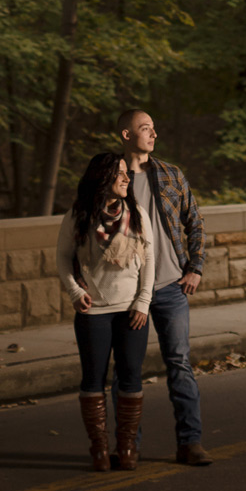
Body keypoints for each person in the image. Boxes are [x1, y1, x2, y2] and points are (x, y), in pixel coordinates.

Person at [116, 108, 212, 465]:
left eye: (154, 128)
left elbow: (195, 222)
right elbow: (87, 227)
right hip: (126, 292)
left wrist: (195, 267)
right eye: (145, 129)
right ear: (127, 135)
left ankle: (190, 443)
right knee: (127, 370)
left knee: (179, 363)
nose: (153, 134)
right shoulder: (110, 176)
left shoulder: (171, 174)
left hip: (171, 287)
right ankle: (127, 447)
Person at [55, 151, 155, 472]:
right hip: (93, 311)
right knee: (93, 380)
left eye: (127, 173)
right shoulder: (78, 215)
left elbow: (150, 260)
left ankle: (126, 448)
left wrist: (143, 301)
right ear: (103, 177)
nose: (127, 178)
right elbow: (62, 257)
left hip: (131, 312)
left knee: (130, 378)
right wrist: (74, 291)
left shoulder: (136, 213)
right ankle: (99, 449)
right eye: (120, 173)